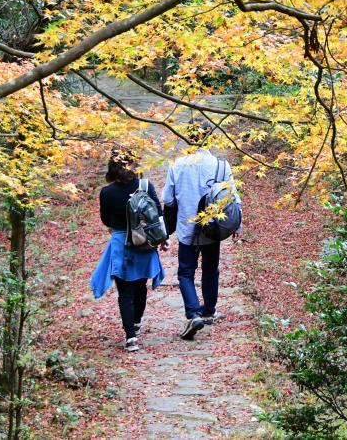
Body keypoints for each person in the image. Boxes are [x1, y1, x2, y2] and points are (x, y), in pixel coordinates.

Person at [162, 122, 241, 340]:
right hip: (212, 228)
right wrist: (237, 224)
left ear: (188, 137)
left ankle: (193, 312)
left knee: (185, 272)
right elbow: (232, 197)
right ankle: (209, 311)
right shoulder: (221, 165)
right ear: (210, 138)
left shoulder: (177, 165)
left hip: (187, 228)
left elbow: (167, 199)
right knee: (210, 269)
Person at [90, 148, 166, 352]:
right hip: (143, 242)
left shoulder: (106, 192)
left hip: (120, 244)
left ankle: (130, 337)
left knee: (124, 292)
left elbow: (105, 219)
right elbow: (158, 214)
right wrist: (162, 238)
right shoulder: (145, 186)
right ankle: (136, 322)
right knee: (140, 285)